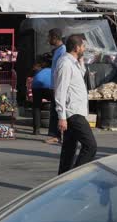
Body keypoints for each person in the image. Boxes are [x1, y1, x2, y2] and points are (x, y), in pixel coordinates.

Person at [55, 34, 97, 175]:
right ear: (77, 47)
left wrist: (81, 61)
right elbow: (61, 90)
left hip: (77, 110)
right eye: (83, 46)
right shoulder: (65, 63)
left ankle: (62, 179)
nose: (84, 49)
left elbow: (81, 74)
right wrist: (61, 116)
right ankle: (74, 176)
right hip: (72, 112)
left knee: (69, 149)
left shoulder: (73, 62)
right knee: (90, 146)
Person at [47, 28, 66, 143]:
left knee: (58, 110)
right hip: (54, 84)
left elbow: (61, 69)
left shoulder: (62, 50)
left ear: (54, 37)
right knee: (54, 110)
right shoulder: (57, 50)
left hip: (59, 85)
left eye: (49, 37)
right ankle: (56, 135)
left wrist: (58, 85)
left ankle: (58, 136)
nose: (48, 39)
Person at [31, 61, 52, 135]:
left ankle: (36, 130)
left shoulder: (39, 71)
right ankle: (53, 131)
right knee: (55, 106)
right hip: (50, 87)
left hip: (36, 86)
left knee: (36, 107)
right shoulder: (55, 69)